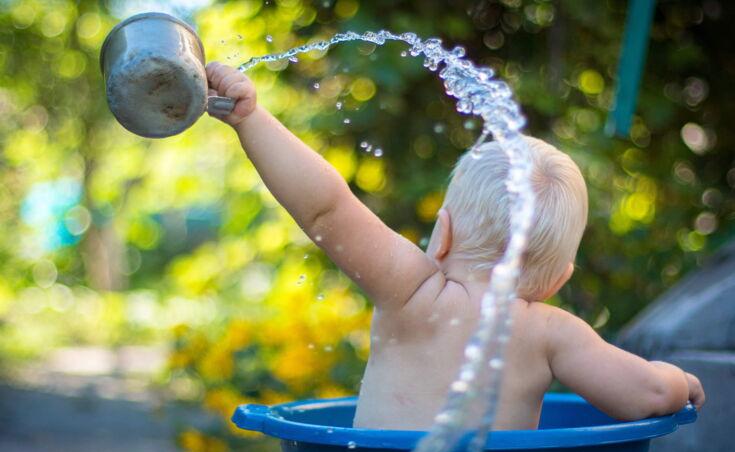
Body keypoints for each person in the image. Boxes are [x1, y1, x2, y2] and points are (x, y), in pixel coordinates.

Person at [205, 62, 705, 431]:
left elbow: (327, 209)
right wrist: (680, 381)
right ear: (559, 279)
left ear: (441, 234)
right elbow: (648, 395)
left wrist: (251, 118)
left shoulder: (413, 292)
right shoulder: (552, 333)